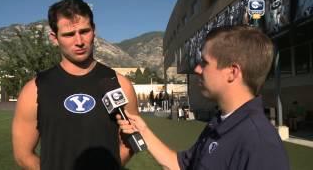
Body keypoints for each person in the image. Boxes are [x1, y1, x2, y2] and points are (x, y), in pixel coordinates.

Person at [117, 25, 289, 170]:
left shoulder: (260, 143)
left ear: (232, 72)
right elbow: (179, 165)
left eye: (205, 63)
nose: (198, 69)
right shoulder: (220, 123)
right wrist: (144, 131)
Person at [12, 0, 139, 170]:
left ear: (94, 30)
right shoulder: (33, 90)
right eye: (69, 34)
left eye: (84, 31)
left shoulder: (120, 85)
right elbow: (23, 154)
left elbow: (132, 141)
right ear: (54, 38)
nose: (79, 41)